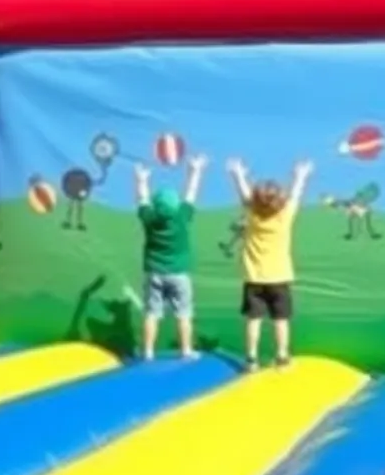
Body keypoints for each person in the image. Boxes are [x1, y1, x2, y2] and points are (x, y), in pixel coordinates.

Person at [227, 157, 313, 370]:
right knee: (280, 320)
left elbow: (244, 195)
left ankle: (251, 359)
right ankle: (282, 357)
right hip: (279, 278)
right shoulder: (284, 217)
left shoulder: (252, 215)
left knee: (253, 320)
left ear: (255, 201)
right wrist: (300, 176)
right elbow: (295, 195)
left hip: (254, 278)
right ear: (279, 202)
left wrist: (238, 174)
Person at [134, 155, 207, 360]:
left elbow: (142, 199)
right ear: (175, 205)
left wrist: (141, 180)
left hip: (154, 273)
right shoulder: (181, 216)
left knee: (151, 313)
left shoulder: (149, 218)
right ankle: (185, 350)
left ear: (156, 207)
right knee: (183, 313)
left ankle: (148, 351)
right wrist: (195, 170)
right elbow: (191, 193)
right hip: (179, 274)